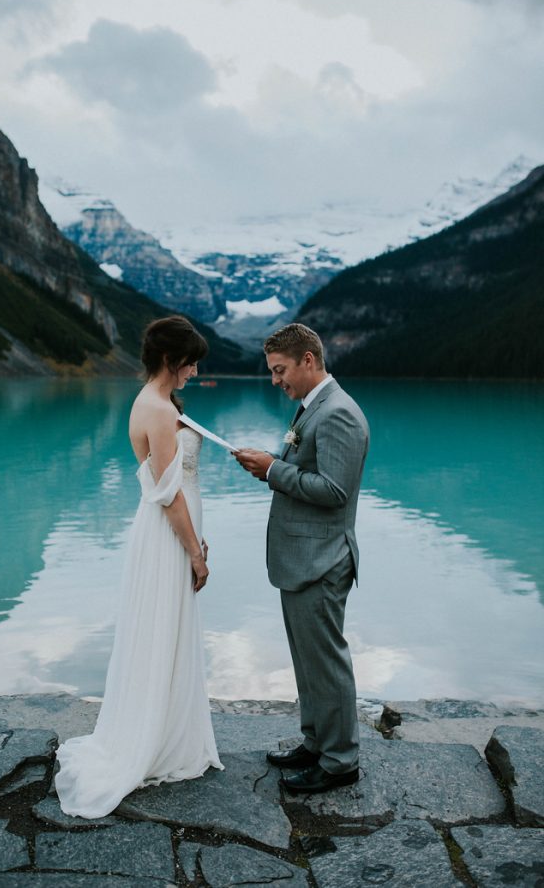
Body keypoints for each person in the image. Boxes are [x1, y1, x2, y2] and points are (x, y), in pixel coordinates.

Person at [55, 315, 223, 819]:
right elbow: (169, 494)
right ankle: (155, 738)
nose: (195, 370)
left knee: (165, 629)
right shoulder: (158, 410)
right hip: (168, 534)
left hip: (171, 530)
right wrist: (194, 550)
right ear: (172, 360)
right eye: (191, 361)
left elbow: (176, 490)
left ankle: (166, 726)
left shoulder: (155, 402)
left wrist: (197, 533)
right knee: (162, 629)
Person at [234, 323, 369, 795]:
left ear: (308, 360)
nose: (275, 380)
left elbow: (334, 491)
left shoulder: (338, 414)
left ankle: (339, 762)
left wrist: (273, 470)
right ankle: (315, 742)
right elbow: (308, 468)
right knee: (307, 660)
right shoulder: (313, 408)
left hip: (322, 560)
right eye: (272, 371)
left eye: (280, 370)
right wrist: (270, 461)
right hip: (303, 558)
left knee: (326, 662)